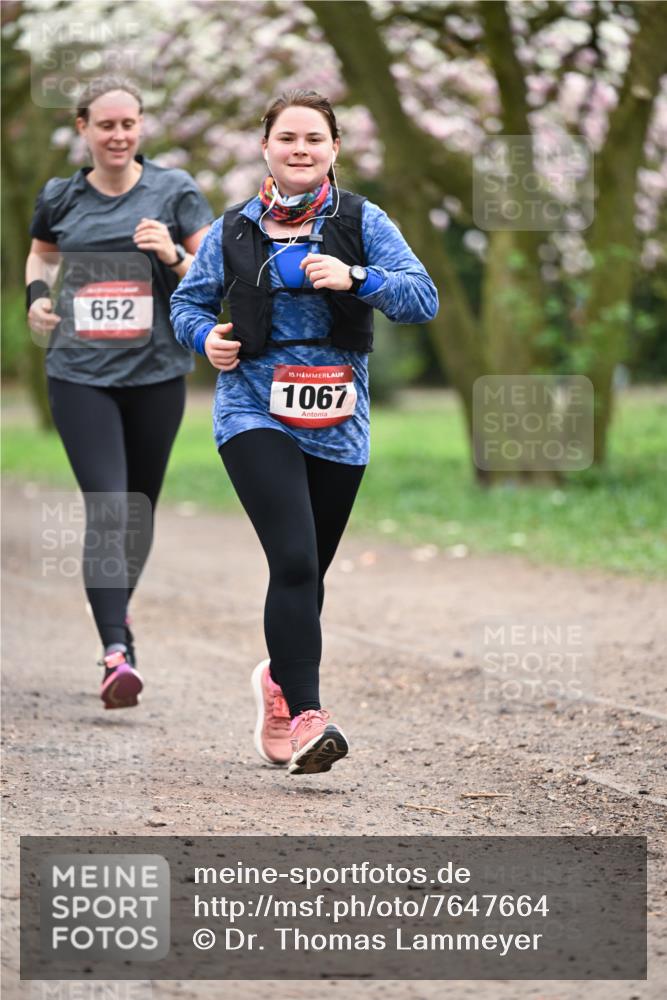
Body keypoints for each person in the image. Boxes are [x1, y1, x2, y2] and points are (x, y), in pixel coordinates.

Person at [171, 89, 437, 774]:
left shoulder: (362, 220)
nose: (300, 149)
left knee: (306, 575)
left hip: (338, 423)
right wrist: (207, 339)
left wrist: (354, 276)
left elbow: (420, 297)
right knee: (291, 559)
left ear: (333, 150)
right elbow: (186, 302)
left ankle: (277, 683)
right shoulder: (235, 229)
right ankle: (308, 716)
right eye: (287, 138)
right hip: (252, 411)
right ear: (266, 147)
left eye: (313, 139)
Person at [26, 77, 213, 709]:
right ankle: (115, 651)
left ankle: (116, 617)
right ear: (83, 129)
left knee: (137, 511)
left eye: (128, 124)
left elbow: (210, 276)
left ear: (141, 127)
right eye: (105, 125)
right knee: (109, 506)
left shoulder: (175, 191)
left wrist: (169, 254)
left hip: (157, 372)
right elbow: (41, 256)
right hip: (79, 372)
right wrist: (38, 300)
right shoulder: (59, 196)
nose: (118, 135)